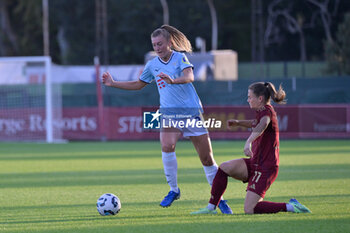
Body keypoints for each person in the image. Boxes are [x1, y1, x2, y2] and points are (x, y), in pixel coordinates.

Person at [102, 25, 232, 214]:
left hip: (191, 112)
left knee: (206, 158)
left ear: (169, 42)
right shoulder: (152, 65)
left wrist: (173, 79)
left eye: (160, 44)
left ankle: (219, 199)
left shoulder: (180, 58)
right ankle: (174, 190)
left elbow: (189, 76)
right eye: (154, 45)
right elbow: (139, 84)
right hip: (169, 113)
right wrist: (113, 84)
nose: (157, 48)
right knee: (167, 145)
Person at [191, 82, 311, 214]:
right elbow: (256, 123)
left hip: (266, 167)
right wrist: (238, 123)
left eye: (250, 97)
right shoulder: (261, 111)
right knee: (224, 167)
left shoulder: (267, 111)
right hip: (255, 162)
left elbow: (262, 125)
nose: (248, 100)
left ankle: (291, 206)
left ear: (260, 98)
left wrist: (248, 141)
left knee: (250, 209)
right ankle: (211, 208)